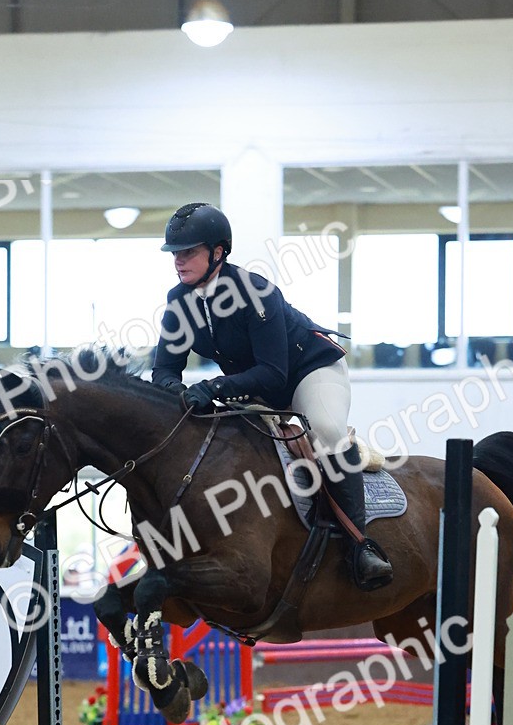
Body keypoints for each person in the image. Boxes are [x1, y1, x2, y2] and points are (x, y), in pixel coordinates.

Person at [151, 202, 393, 591]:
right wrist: (177, 395)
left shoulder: (255, 291)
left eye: (189, 252)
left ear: (218, 252)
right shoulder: (179, 302)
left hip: (307, 373)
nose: (178, 261)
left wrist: (212, 388)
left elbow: (273, 373)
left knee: (327, 430)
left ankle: (360, 546)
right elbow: (164, 369)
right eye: (175, 253)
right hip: (252, 388)